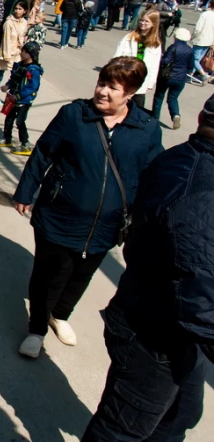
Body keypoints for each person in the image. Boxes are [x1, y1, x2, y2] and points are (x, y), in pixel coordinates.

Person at [82, 94, 214, 441]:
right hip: (156, 338)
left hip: (170, 330)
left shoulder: (183, 159)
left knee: (181, 414)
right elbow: (200, 300)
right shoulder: (201, 190)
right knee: (121, 431)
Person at [12, 56, 163, 359]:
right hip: (58, 214)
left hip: (108, 223)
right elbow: (43, 154)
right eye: (102, 83)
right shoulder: (74, 116)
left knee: (82, 274)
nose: (103, 91)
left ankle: (61, 315)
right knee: (49, 273)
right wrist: (26, 191)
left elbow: (153, 176)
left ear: (131, 94)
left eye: (113, 88)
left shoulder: (147, 129)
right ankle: (37, 328)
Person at [0, 42, 43, 155]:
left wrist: (18, 96)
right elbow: (14, 78)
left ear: (30, 54)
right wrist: (8, 86)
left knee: (20, 122)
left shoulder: (33, 70)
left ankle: (25, 144)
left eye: (24, 51)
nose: (21, 53)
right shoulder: (19, 65)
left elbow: (32, 87)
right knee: (9, 118)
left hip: (23, 101)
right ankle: (7, 138)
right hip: (12, 98)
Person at [113, 10, 162, 110]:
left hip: (141, 79)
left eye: (146, 21)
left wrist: (151, 82)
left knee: (136, 107)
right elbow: (117, 55)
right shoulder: (129, 37)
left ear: (153, 24)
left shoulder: (155, 43)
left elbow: (154, 65)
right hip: (125, 75)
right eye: (141, 20)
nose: (142, 23)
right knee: (119, 105)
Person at [152, 27, 195, 130]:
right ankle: (176, 115)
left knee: (159, 96)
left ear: (176, 37)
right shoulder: (190, 50)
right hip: (180, 79)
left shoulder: (173, 47)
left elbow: (165, 61)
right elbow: (190, 67)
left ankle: (155, 118)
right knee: (173, 98)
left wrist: (160, 58)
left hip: (167, 77)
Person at [0, 0, 28, 103]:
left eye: (20, 9)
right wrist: (6, 55)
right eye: (16, 9)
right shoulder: (8, 22)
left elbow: (23, 36)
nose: (17, 11)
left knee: (15, 77)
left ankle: (11, 97)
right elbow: (6, 39)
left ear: (24, 11)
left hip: (18, 54)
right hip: (6, 52)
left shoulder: (24, 22)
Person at [190, 0, 214, 81]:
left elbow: (198, 28)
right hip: (209, 40)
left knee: (195, 59)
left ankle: (203, 75)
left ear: (210, 4)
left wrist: (193, 36)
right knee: (198, 58)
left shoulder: (205, 14)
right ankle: (190, 74)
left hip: (200, 39)